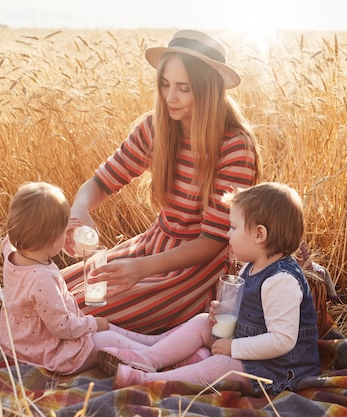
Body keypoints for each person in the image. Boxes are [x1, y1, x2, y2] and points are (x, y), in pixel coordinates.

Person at [61, 29, 261, 334]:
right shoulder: (155, 128)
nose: (170, 97)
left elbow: (213, 241)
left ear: (207, 89)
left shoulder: (234, 147)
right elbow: (101, 182)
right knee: (53, 294)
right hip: (152, 246)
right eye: (165, 85)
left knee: (79, 312)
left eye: (184, 88)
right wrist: (80, 210)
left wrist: (141, 270)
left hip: (198, 268)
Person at [96, 182, 321, 395]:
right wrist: (223, 311)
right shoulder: (252, 266)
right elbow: (248, 311)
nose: (228, 234)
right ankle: (148, 358)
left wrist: (233, 347)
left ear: (259, 234)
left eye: (233, 228)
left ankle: (150, 382)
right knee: (203, 321)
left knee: (222, 364)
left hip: (276, 369)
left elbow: (282, 341)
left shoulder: (281, 281)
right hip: (244, 345)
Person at [0, 182, 208, 374]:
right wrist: (93, 323)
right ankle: (165, 358)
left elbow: (12, 234)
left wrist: (56, 225)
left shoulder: (11, 249)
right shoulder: (43, 279)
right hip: (51, 353)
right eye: (63, 232)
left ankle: (157, 344)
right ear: (54, 241)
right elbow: (62, 327)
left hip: (21, 343)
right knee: (106, 337)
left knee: (109, 332)